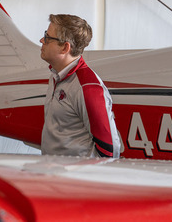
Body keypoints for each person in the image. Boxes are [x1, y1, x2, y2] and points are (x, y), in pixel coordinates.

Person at [40, 14, 121, 158]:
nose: (41, 40)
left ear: (65, 47)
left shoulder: (87, 87)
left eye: (47, 37)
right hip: (54, 173)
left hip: (76, 177)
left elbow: (110, 149)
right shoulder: (56, 75)